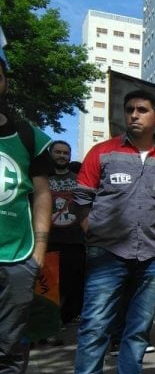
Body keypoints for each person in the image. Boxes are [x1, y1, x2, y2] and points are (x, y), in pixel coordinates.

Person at [71, 90, 155, 374]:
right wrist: (93, 230)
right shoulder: (102, 153)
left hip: (151, 257)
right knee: (95, 327)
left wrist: (154, 230)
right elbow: (81, 197)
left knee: (138, 329)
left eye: (142, 110)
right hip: (107, 255)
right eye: (130, 109)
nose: (134, 115)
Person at [0, 56, 53, 374]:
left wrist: (39, 251)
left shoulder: (28, 135)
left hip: (18, 258)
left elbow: (42, 194)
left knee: (10, 343)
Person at [47, 140, 86, 327]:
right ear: (50, 154)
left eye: (65, 153)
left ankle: (65, 317)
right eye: (58, 152)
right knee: (49, 285)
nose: (62, 156)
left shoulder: (79, 179)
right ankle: (49, 322)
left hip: (75, 241)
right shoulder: (42, 178)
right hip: (48, 240)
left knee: (71, 284)